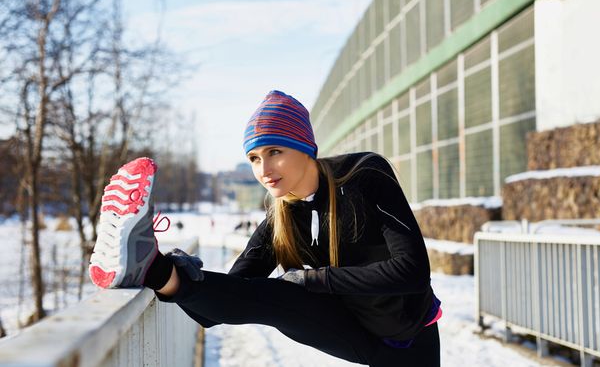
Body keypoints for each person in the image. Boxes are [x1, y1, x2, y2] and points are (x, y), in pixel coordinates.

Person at [88, 90, 441, 366]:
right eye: (254, 158)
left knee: (294, 285)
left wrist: (314, 278)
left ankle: (155, 268)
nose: (264, 169)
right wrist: (178, 277)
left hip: (407, 335)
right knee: (274, 295)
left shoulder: (365, 174)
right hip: (353, 328)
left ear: (306, 149)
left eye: (275, 151)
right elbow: (230, 301)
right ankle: (154, 269)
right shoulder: (281, 214)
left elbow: (412, 272)